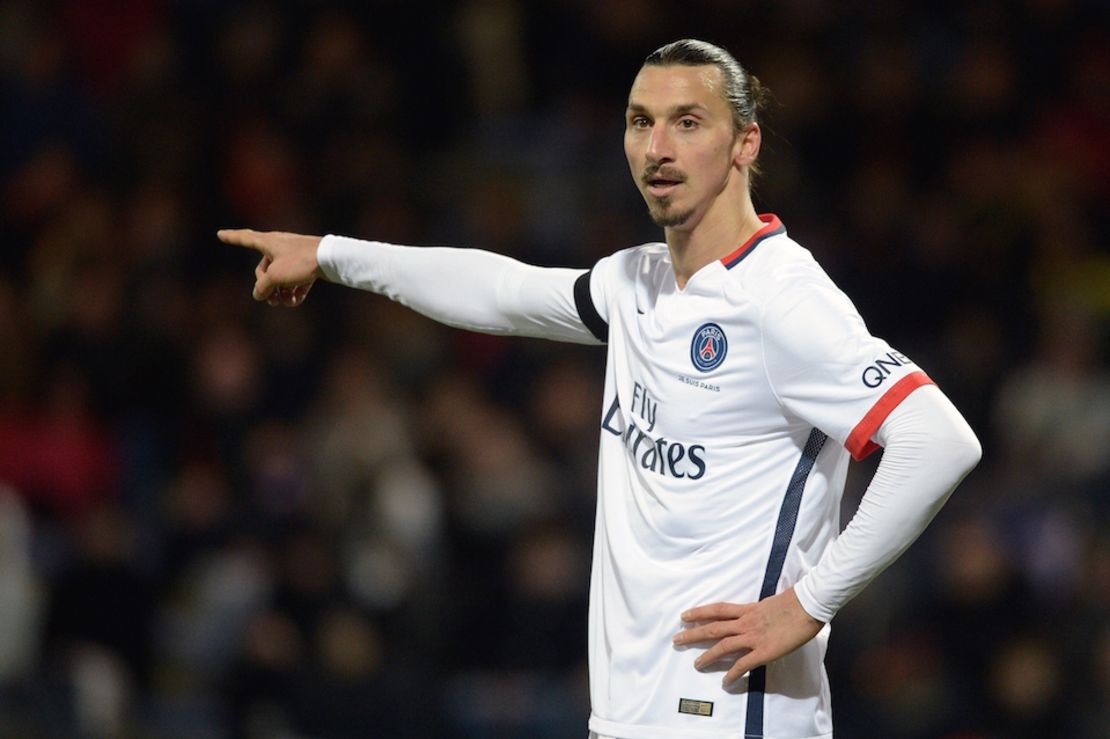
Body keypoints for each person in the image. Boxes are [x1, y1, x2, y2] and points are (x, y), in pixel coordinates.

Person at [219, 39, 981, 739]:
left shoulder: (782, 298)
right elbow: (502, 291)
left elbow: (939, 440)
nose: (658, 148)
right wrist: (331, 252)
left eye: (688, 122)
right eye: (640, 122)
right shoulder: (638, 282)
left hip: (732, 713)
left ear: (745, 142)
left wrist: (810, 604)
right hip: (628, 709)